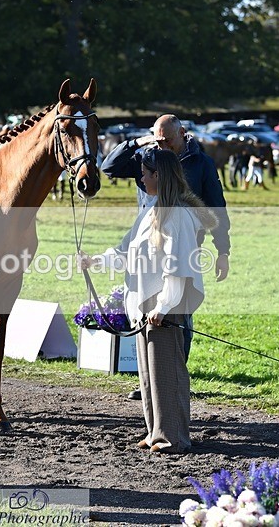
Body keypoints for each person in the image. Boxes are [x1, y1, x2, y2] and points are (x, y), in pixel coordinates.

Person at [79, 149, 217, 453]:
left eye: (145, 173)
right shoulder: (150, 211)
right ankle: (155, 430)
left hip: (163, 305)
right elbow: (126, 253)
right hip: (143, 302)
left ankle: (173, 437)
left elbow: (177, 266)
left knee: (165, 372)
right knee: (147, 373)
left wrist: (163, 306)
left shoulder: (177, 215)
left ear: (159, 176)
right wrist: (94, 261)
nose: (141, 178)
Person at [102, 114, 231, 401]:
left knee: (178, 313)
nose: (162, 145)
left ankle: (175, 376)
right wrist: (138, 142)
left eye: (167, 140)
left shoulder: (202, 163)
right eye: (157, 139)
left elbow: (217, 208)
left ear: (182, 134)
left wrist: (223, 251)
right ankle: (149, 380)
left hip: (183, 245)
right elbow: (109, 166)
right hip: (146, 243)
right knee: (146, 310)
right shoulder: (147, 156)